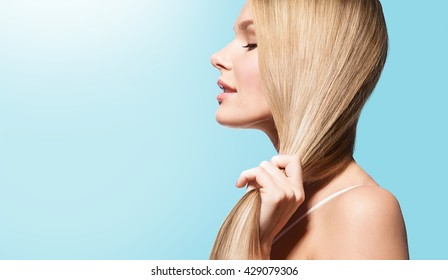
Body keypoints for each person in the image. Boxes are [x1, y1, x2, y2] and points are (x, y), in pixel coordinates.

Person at [209, 0, 409, 260]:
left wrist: (256, 249)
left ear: (310, 63)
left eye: (251, 43)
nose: (218, 57)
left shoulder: (363, 212)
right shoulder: (271, 203)